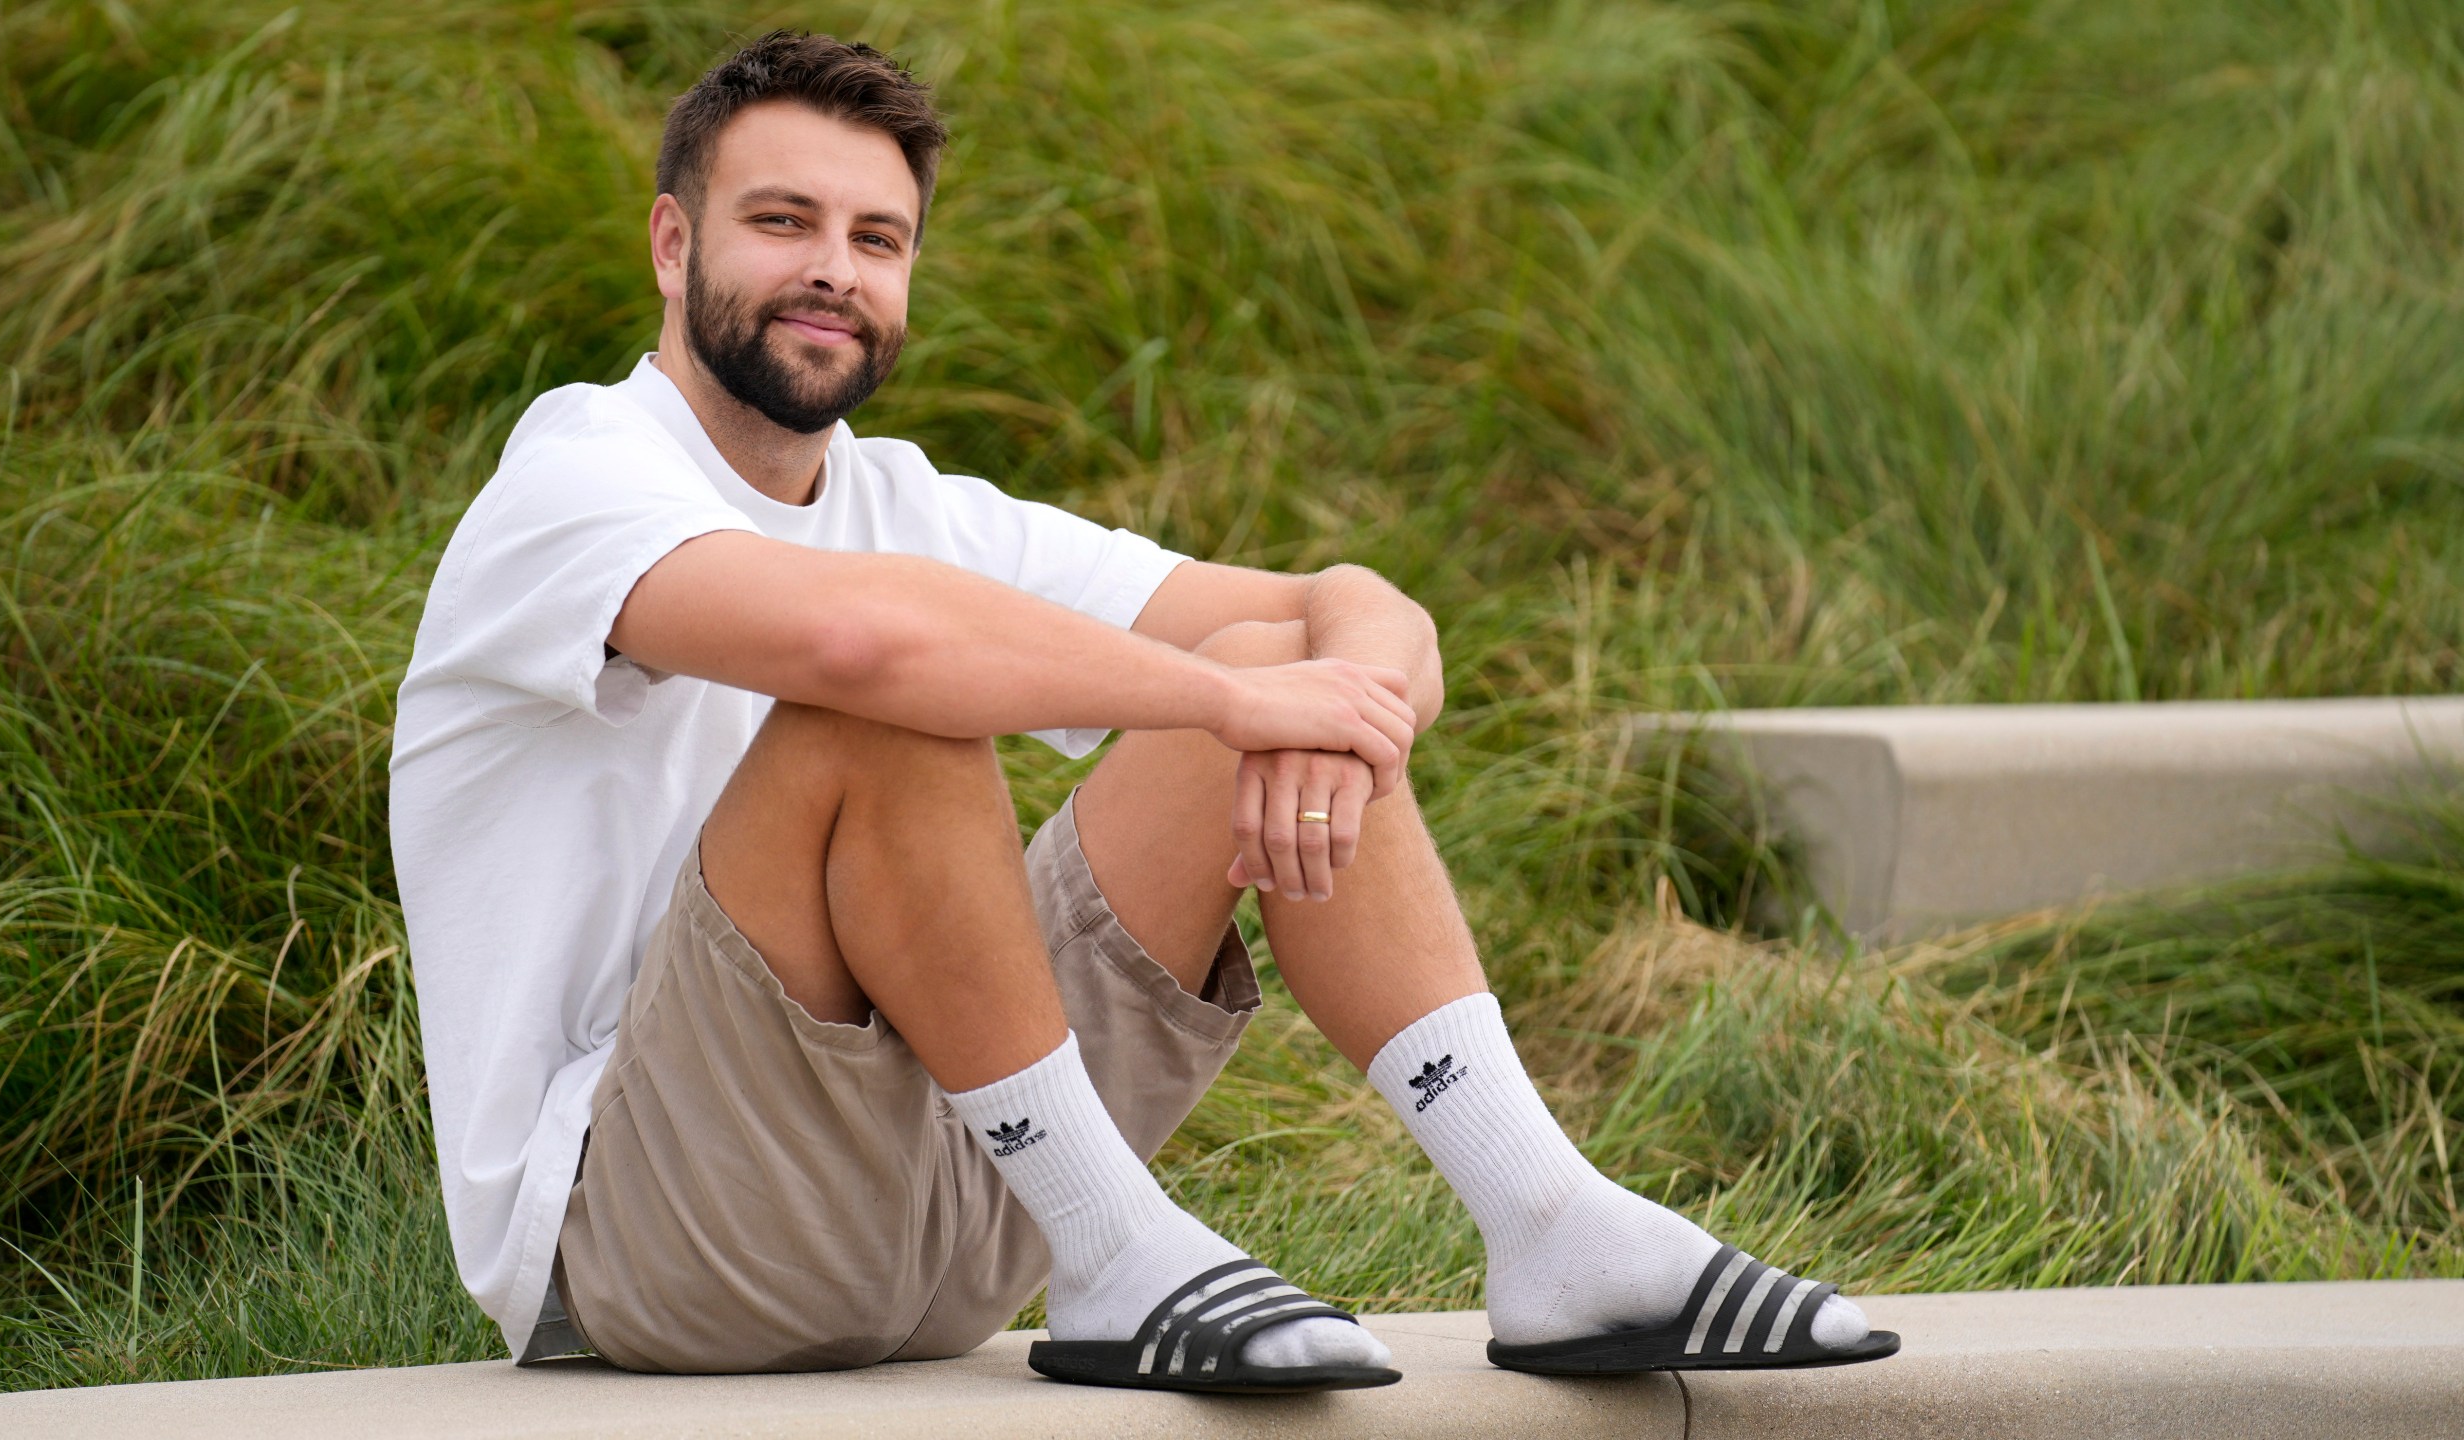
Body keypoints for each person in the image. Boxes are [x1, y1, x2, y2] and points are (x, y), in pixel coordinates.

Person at [389, 30, 1897, 1393]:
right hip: (658, 1249)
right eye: (782, 222)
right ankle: (1118, 1249)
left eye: (878, 237)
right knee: (899, 704)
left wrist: (1304, 692)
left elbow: (1344, 612)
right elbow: (858, 643)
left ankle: (1550, 1224)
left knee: (1267, 658)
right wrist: (1244, 695)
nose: (834, 269)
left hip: (964, 1226)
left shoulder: (906, 502)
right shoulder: (575, 483)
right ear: (673, 243)